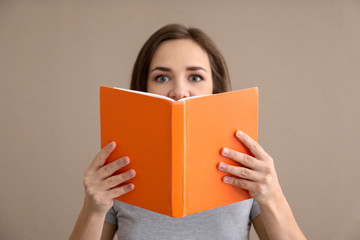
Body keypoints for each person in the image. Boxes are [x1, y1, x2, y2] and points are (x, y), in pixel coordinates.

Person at [70, 24, 306, 240]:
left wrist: (272, 195)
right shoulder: (119, 169)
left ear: (216, 88)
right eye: (162, 77)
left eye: (195, 77)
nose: (180, 91)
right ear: (143, 88)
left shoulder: (244, 167)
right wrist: (93, 208)